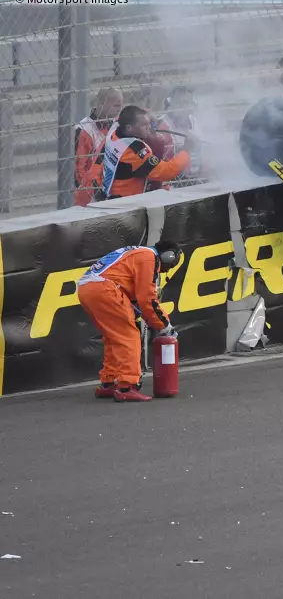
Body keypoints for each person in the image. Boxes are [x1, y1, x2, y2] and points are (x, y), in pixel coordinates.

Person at [77, 240, 182, 402]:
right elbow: (147, 299)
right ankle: (127, 386)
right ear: (168, 256)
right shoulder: (150, 258)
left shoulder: (138, 253)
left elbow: (137, 299)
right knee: (129, 336)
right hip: (105, 288)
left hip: (87, 288)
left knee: (113, 337)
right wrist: (165, 326)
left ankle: (108, 383)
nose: (166, 269)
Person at [93, 105, 196, 201]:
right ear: (129, 128)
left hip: (109, 194)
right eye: (144, 125)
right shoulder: (134, 152)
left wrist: (151, 118)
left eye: (149, 123)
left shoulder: (115, 131)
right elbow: (167, 171)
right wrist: (186, 150)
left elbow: (125, 116)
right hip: (126, 203)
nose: (150, 127)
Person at [73, 87, 123, 206]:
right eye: (116, 105)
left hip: (113, 186)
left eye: (121, 105)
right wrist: (92, 191)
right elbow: (79, 170)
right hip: (91, 194)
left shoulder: (118, 123)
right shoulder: (85, 130)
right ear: (101, 103)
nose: (119, 109)